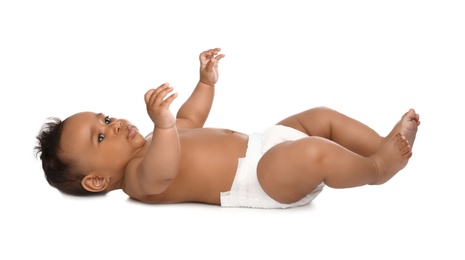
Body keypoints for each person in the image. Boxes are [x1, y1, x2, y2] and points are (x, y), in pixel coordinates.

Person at [35, 48, 420, 209]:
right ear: (98, 181)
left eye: (104, 119)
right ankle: (377, 169)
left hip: (263, 142)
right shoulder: (137, 179)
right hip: (262, 179)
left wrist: (205, 83)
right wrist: (164, 125)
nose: (114, 124)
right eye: (100, 136)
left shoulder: (156, 137)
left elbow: (192, 119)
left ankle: (383, 144)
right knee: (313, 150)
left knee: (319, 116)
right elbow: (163, 170)